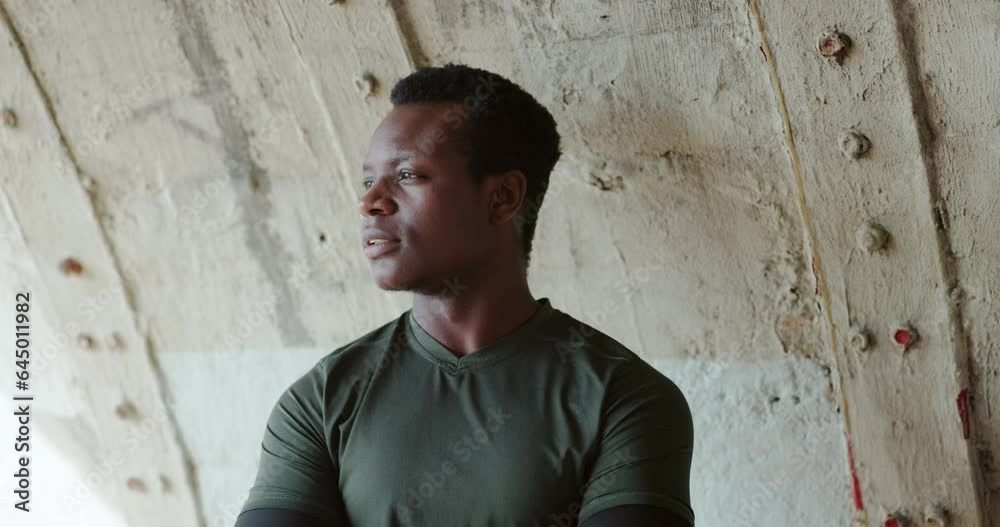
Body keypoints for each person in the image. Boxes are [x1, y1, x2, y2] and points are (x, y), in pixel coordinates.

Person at [235, 63, 694, 527]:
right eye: (368, 181)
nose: (370, 202)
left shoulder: (625, 399)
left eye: (408, 175)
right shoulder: (323, 398)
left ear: (503, 197)